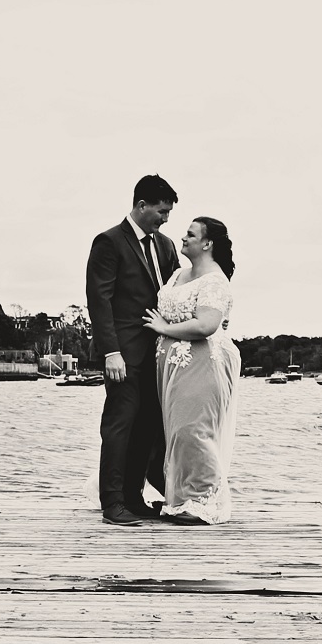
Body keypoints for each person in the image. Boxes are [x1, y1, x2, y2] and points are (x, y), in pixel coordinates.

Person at [84, 174, 179, 526]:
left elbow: (177, 292)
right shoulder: (108, 242)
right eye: (161, 211)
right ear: (141, 205)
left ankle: (134, 497)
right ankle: (111, 502)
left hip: (158, 354)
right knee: (119, 424)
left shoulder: (167, 246)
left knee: (149, 427)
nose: (165, 218)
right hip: (122, 354)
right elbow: (100, 300)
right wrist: (111, 352)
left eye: (168, 213)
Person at [145, 215, 239, 524]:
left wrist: (163, 327)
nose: (183, 239)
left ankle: (203, 503)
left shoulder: (214, 280)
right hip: (169, 366)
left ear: (207, 243)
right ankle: (180, 498)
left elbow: (207, 325)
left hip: (201, 364)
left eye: (190, 234)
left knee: (192, 431)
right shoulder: (177, 275)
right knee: (170, 434)